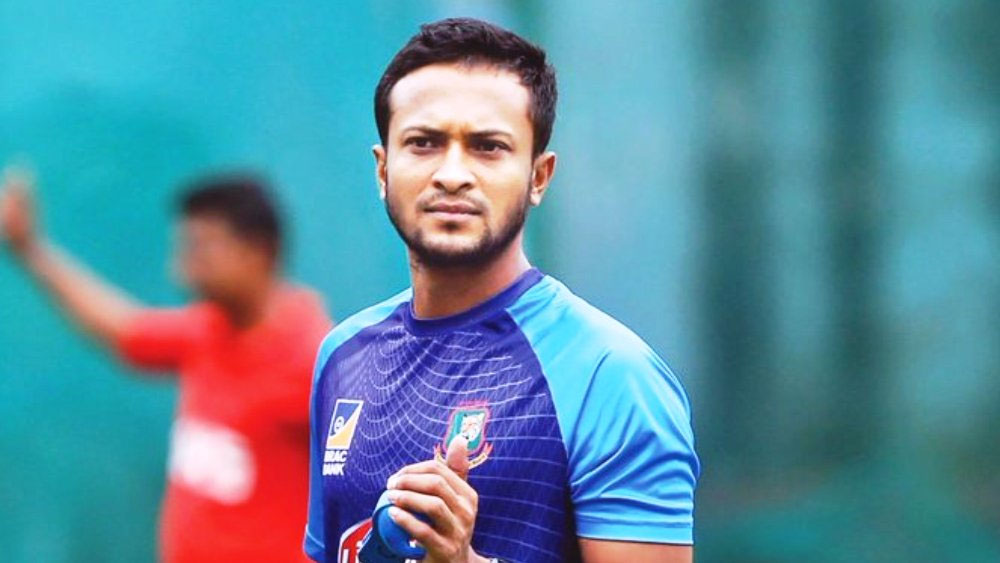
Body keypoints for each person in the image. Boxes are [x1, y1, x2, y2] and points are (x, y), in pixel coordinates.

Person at [305, 17, 699, 563]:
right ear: (383, 170)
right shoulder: (343, 355)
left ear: (539, 177)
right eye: (424, 143)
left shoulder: (609, 375)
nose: (452, 174)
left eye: (487, 147)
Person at [0, 169, 332, 562]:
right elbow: (125, 331)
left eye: (201, 248)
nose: (183, 267)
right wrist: (31, 249)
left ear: (258, 251)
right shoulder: (207, 330)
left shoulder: (317, 362)